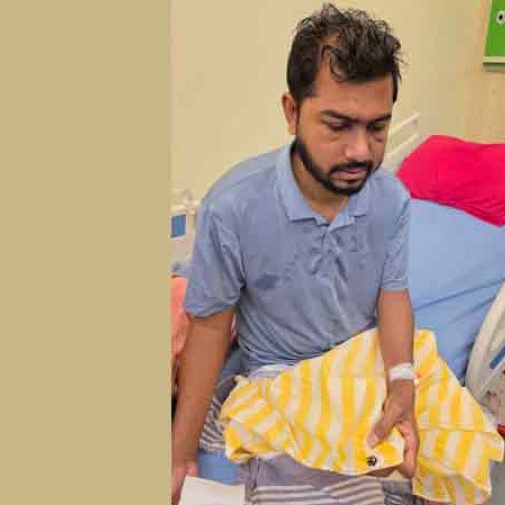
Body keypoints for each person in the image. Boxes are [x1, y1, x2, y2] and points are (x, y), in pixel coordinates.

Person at [171, 4, 419, 504]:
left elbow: (392, 295)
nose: (361, 151)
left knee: (450, 467)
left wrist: (401, 379)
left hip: (359, 364)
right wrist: (180, 453)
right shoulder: (234, 207)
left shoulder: (391, 200)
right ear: (291, 112)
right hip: (278, 375)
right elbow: (211, 327)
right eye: (337, 125)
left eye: (377, 128)